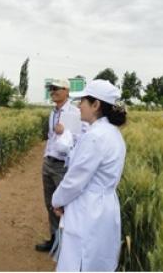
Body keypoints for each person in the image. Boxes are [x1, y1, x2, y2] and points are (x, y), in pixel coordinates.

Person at [51, 79, 127, 271]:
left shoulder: (95, 136)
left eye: (83, 101)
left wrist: (57, 201)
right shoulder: (112, 133)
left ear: (96, 105)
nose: (78, 106)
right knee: (97, 260)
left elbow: (75, 180)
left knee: (79, 261)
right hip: (104, 206)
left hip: (88, 208)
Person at [35, 79, 83, 252]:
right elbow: (51, 136)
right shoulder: (52, 112)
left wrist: (66, 132)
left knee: (65, 205)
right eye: (51, 89)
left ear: (66, 91)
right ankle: (55, 240)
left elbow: (82, 138)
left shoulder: (76, 113)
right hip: (49, 162)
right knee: (50, 203)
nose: (53, 91)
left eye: (56, 89)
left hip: (64, 165)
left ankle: (67, 245)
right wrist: (46, 156)